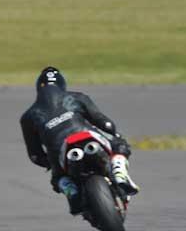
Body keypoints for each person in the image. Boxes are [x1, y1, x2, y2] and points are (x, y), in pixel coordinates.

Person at [20, 67, 139, 215]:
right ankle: (119, 172)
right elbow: (104, 122)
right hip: (86, 135)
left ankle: (71, 191)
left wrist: (51, 163)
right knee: (119, 145)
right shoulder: (77, 97)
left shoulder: (28, 116)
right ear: (62, 85)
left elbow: (35, 155)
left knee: (58, 178)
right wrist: (114, 134)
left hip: (60, 151)